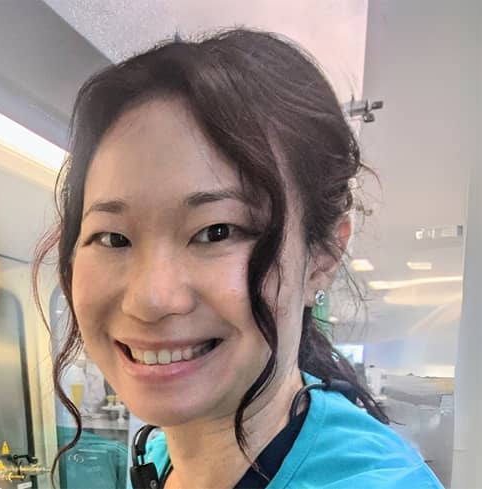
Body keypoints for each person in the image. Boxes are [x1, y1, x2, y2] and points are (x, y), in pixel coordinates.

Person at [34, 29, 443, 489]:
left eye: (216, 232)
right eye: (112, 237)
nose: (149, 299)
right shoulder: (162, 449)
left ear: (323, 255)